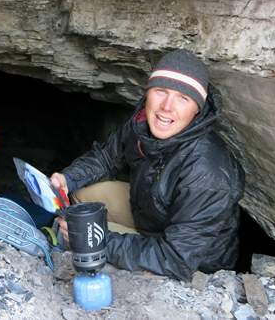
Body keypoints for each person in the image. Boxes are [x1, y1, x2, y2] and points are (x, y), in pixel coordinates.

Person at [50, 49, 245, 281]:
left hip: (192, 260)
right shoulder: (141, 123)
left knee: (83, 239)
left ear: (197, 110)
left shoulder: (207, 173)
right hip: (151, 214)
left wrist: (94, 240)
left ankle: (73, 244)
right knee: (81, 193)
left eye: (183, 97)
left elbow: (175, 259)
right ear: (148, 92)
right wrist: (67, 178)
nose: (167, 106)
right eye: (161, 91)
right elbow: (105, 157)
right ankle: (76, 235)